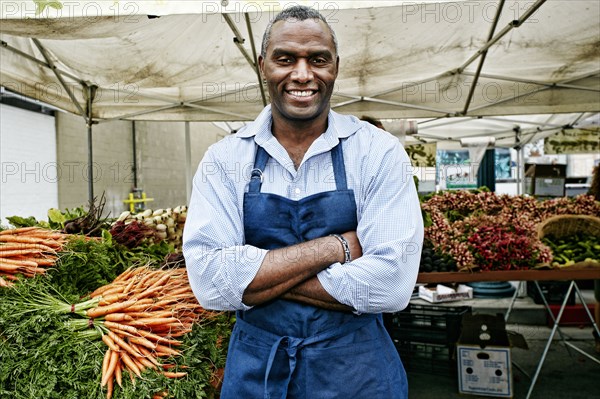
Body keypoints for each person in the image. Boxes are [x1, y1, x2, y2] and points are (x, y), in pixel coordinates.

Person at [183, 6, 423, 398]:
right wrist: (337, 247)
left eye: (318, 59)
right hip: (258, 372)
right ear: (263, 66)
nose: (302, 74)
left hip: (356, 372)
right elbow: (210, 283)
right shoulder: (225, 159)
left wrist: (257, 274)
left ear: (336, 67)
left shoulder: (377, 152)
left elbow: (391, 286)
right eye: (285, 59)